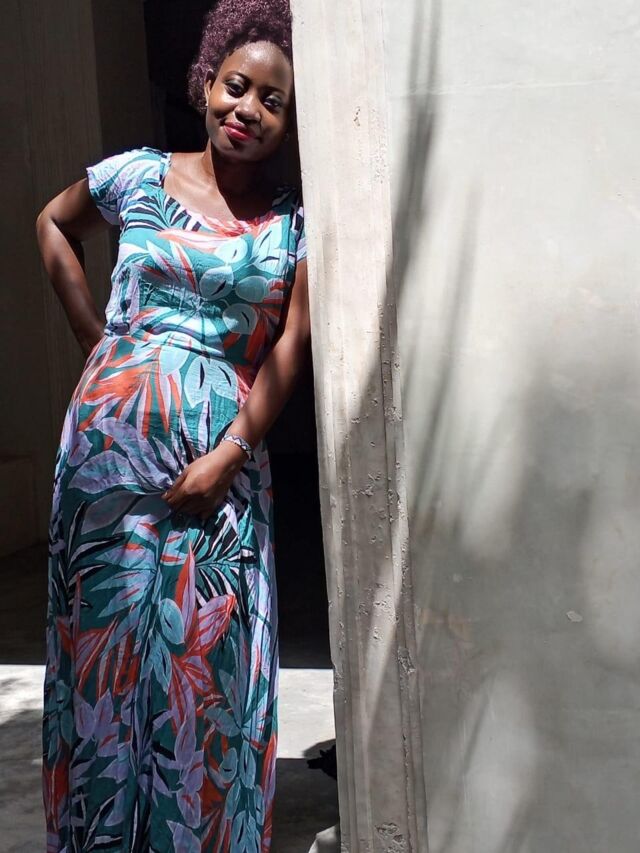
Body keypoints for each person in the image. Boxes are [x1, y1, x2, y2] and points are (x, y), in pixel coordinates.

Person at [35, 0, 309, 849]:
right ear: (206, 83)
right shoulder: (137, 176)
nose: (247, 110)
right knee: (104, 655)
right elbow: (52, 222)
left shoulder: (293, 224)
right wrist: (95, 337)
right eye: (236, 86)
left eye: (272, 101)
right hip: (106, 465)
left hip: (218, 472)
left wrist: (232, 452)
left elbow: (291, 344)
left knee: (203, 666)